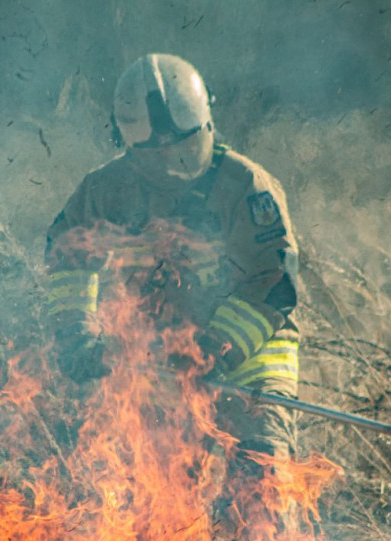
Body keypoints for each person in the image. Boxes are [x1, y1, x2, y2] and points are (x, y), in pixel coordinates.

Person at [43, 53, 300, 495]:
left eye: (186, 146)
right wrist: (75, 334)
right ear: (128, 146)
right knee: (160, 498)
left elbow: (274, 281)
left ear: (207, 124)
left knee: (260, 488)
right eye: (159, 154)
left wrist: (212, 351)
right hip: (159, 366)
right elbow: (68, 256)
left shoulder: (245, 187)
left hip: (251, 364)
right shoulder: (105, 190)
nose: (175, 162)